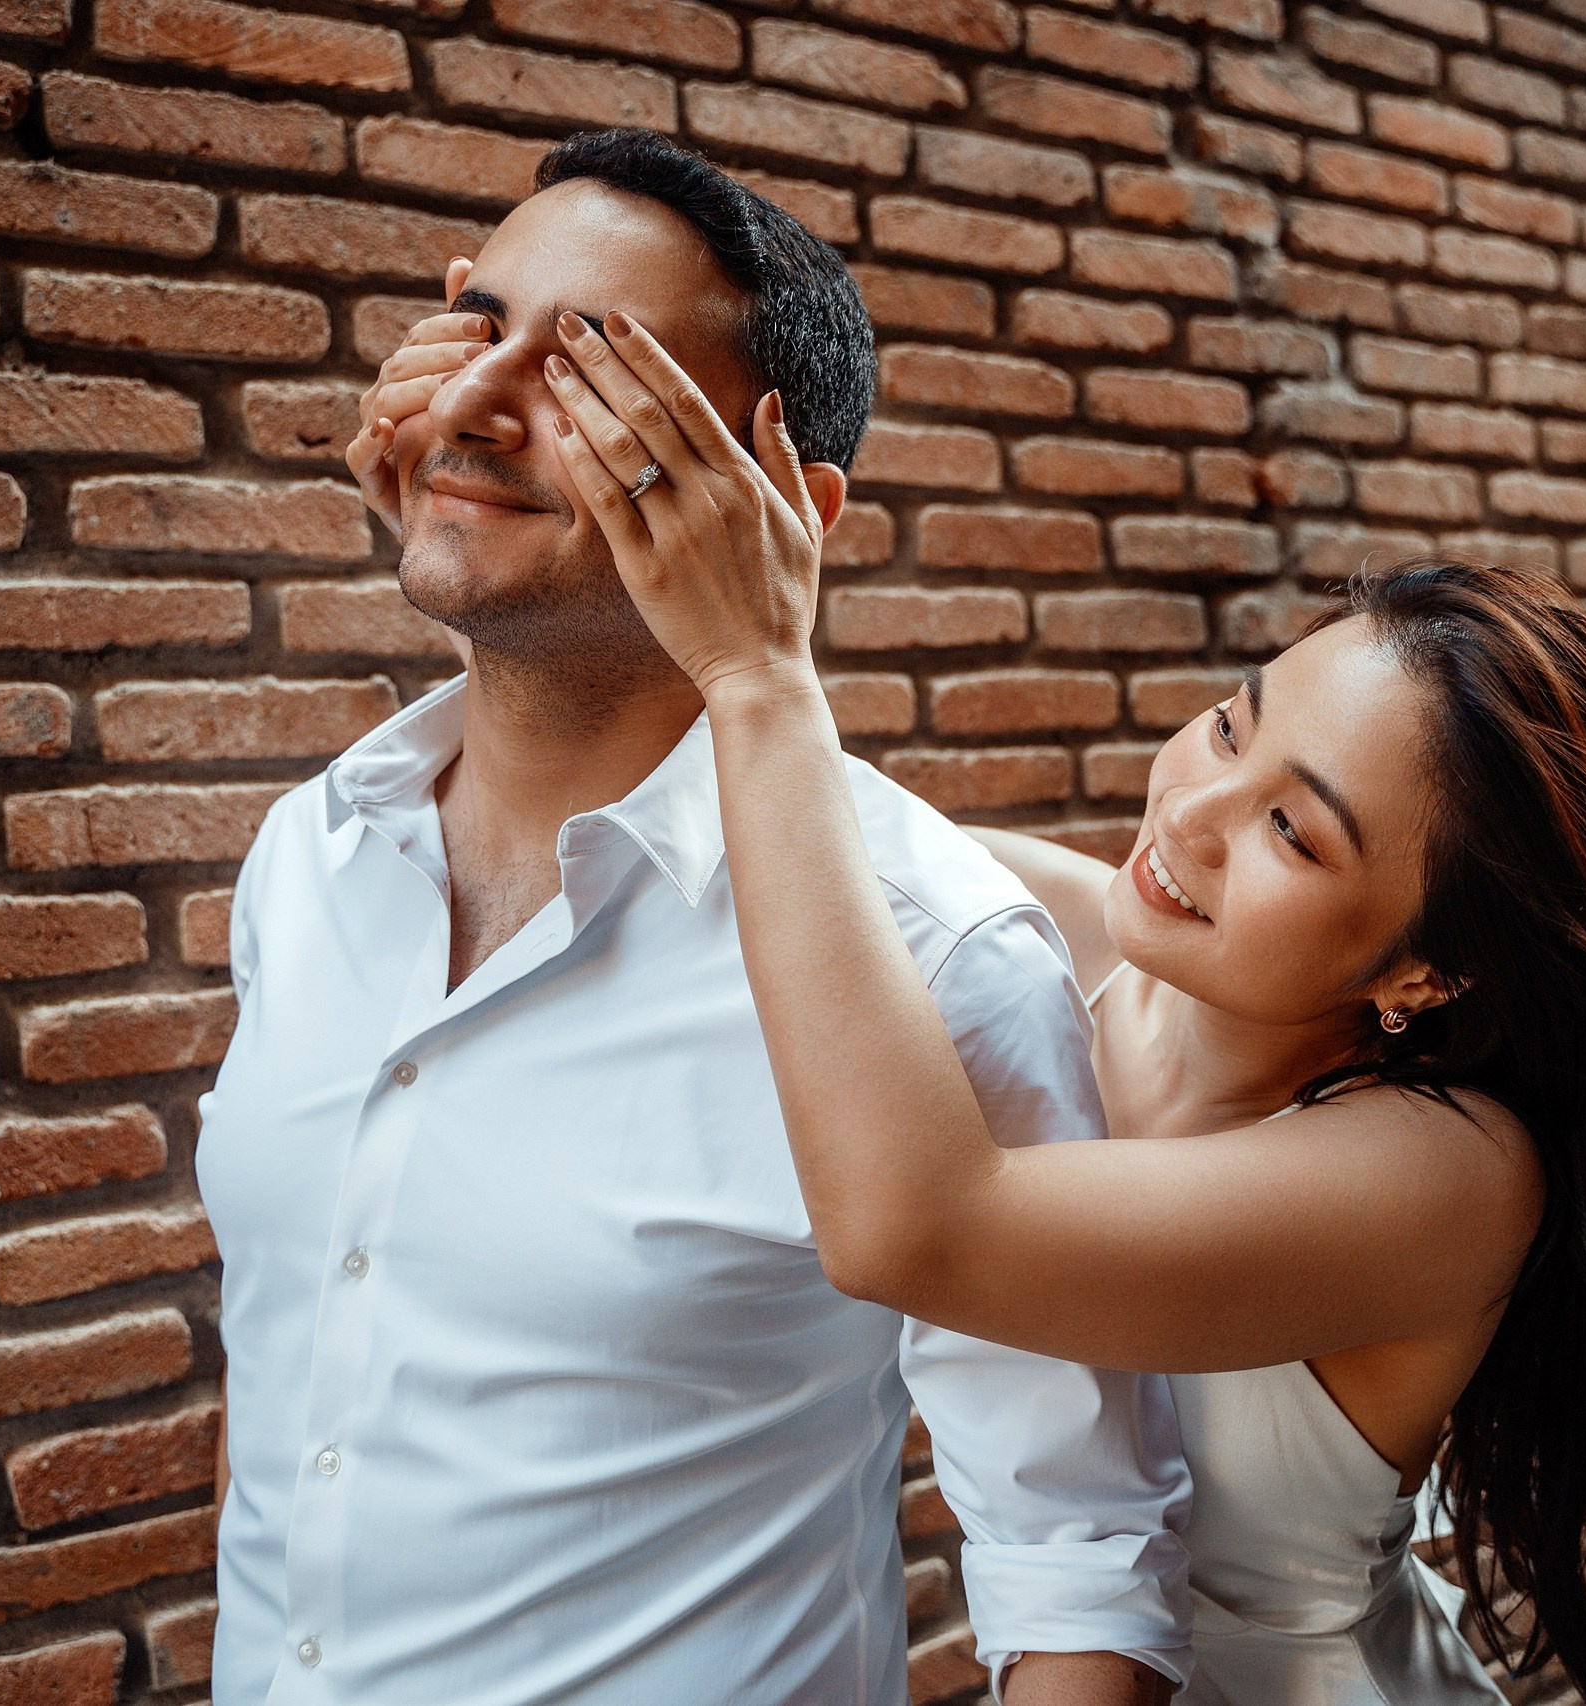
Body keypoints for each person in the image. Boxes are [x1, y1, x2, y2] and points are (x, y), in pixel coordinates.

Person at [500, 258, 1586, 1703]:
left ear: (1427, 968)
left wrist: (761, 665)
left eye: (1295, 829)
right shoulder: (1042, 927)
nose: (1190, 815)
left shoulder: (1453, 1170)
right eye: (1232, 726)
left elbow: (917, 1227)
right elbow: (725, 851)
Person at [196, 129, 1192, 1705]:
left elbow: (1077, 1563)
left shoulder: (937, 955)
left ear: (787, 509)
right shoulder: (304, 859)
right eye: (478, 330)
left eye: (594, 377)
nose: (471, 402)